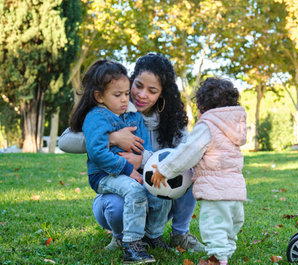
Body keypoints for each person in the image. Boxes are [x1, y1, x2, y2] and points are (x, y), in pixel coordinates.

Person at [59, 53, 205, 253]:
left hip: (159, 195)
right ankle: (121, 237)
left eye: (152, 91)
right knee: (118, 206)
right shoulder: (110, 111)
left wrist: (144, 159)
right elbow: (65, 140)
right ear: (130, 81)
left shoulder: (172, 122)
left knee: (192, 173)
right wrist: (113, 138)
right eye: (138, 86)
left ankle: (179, 235)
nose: (142, 95)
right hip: (120, 192)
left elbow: (187, 156)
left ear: (162, 94)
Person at [151, 77, 247, 265]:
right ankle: (225, 253)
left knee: (214, 227)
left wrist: (165, 170)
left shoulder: (207, 126)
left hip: (216, 193)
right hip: (236, 192)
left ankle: (219, 263)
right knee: (231, 225)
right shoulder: (234, 127)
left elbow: (188, 152)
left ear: (203, 106)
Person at [70, 59, 154, 265]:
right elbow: (97, 152)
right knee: (135, 191)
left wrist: (142, 163)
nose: (125, 100)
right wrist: (127, 169)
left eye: (126, 94)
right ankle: (132, 247)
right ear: (99, 96)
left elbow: (146, 147)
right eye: (118, 95)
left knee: (156, 192)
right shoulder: (96, 117)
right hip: (103, 175)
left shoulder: (134, 115)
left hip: (131, 171)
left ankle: (153, 236)